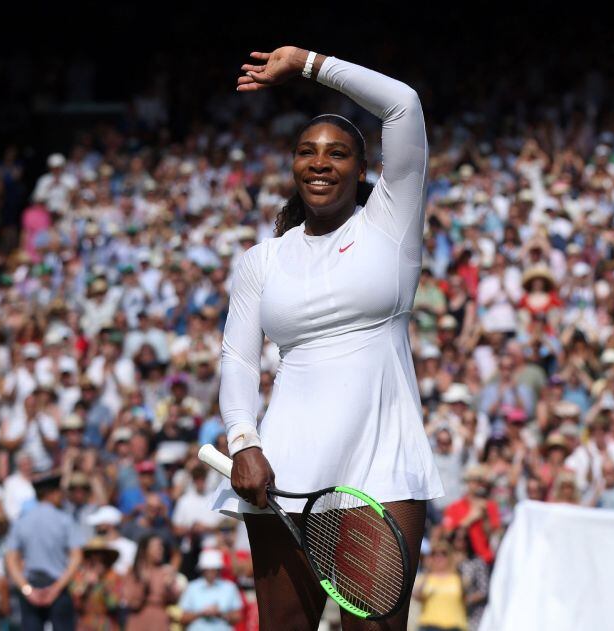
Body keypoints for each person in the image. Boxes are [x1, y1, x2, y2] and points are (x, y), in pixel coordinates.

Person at [210, 45, 443, 630]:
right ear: (292, 165)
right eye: (307, 152)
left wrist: (307, 64)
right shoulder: (262, 260)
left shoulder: (391, 225)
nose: (320, 163)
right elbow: (238, 358)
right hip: (283, 466)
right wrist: (244, 442)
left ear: (362, 171)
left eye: (337, 153)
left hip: (383, 464)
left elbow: (403, 105)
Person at [4, 471, 85, 631]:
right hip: (57, 588)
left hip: (32, 588)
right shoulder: (65, 520)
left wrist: (27, 589)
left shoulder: (22, 521)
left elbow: (11, 560)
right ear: (53, 494)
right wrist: (56, 588)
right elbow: (77, 557)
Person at [121, 534, 180, 630]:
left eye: (161, 546)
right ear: (145, 550)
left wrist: (169, 586)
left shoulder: (165, 572)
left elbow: (174, 600)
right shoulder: (134, 572)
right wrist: (143, 583)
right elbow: (131, 601)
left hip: (159, 621)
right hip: (138, 620)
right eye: (157, 547)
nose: (161, 550)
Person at [177, 549, 243, 631]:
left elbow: (238, 617)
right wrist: (200, 613)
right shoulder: (192, 588)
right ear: (202, 570)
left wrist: (221, 614)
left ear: (219, 569)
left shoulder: (229, 587)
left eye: (213, 569)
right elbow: (182, 618)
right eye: (208, 569)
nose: (210, 572)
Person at [69, 537, 124, 631]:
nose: (97, 562)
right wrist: (86, 585)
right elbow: (74, 602)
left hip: (106, 625)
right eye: (93, 558)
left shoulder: (114, 577)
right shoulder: (79, 576)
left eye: (101, 558)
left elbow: (113, 604)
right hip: (84, 624)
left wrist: (100, 584)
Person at [412, 542, 468, 631]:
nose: (439, 557)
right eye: (434, 554)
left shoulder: (458, 578)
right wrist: (428, 569)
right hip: (429, 626)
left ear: (450, 556)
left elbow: (466, 596)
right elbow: (416, 596)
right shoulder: (425, 578)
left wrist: (457, 566)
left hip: (455, 626)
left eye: (443, 553)